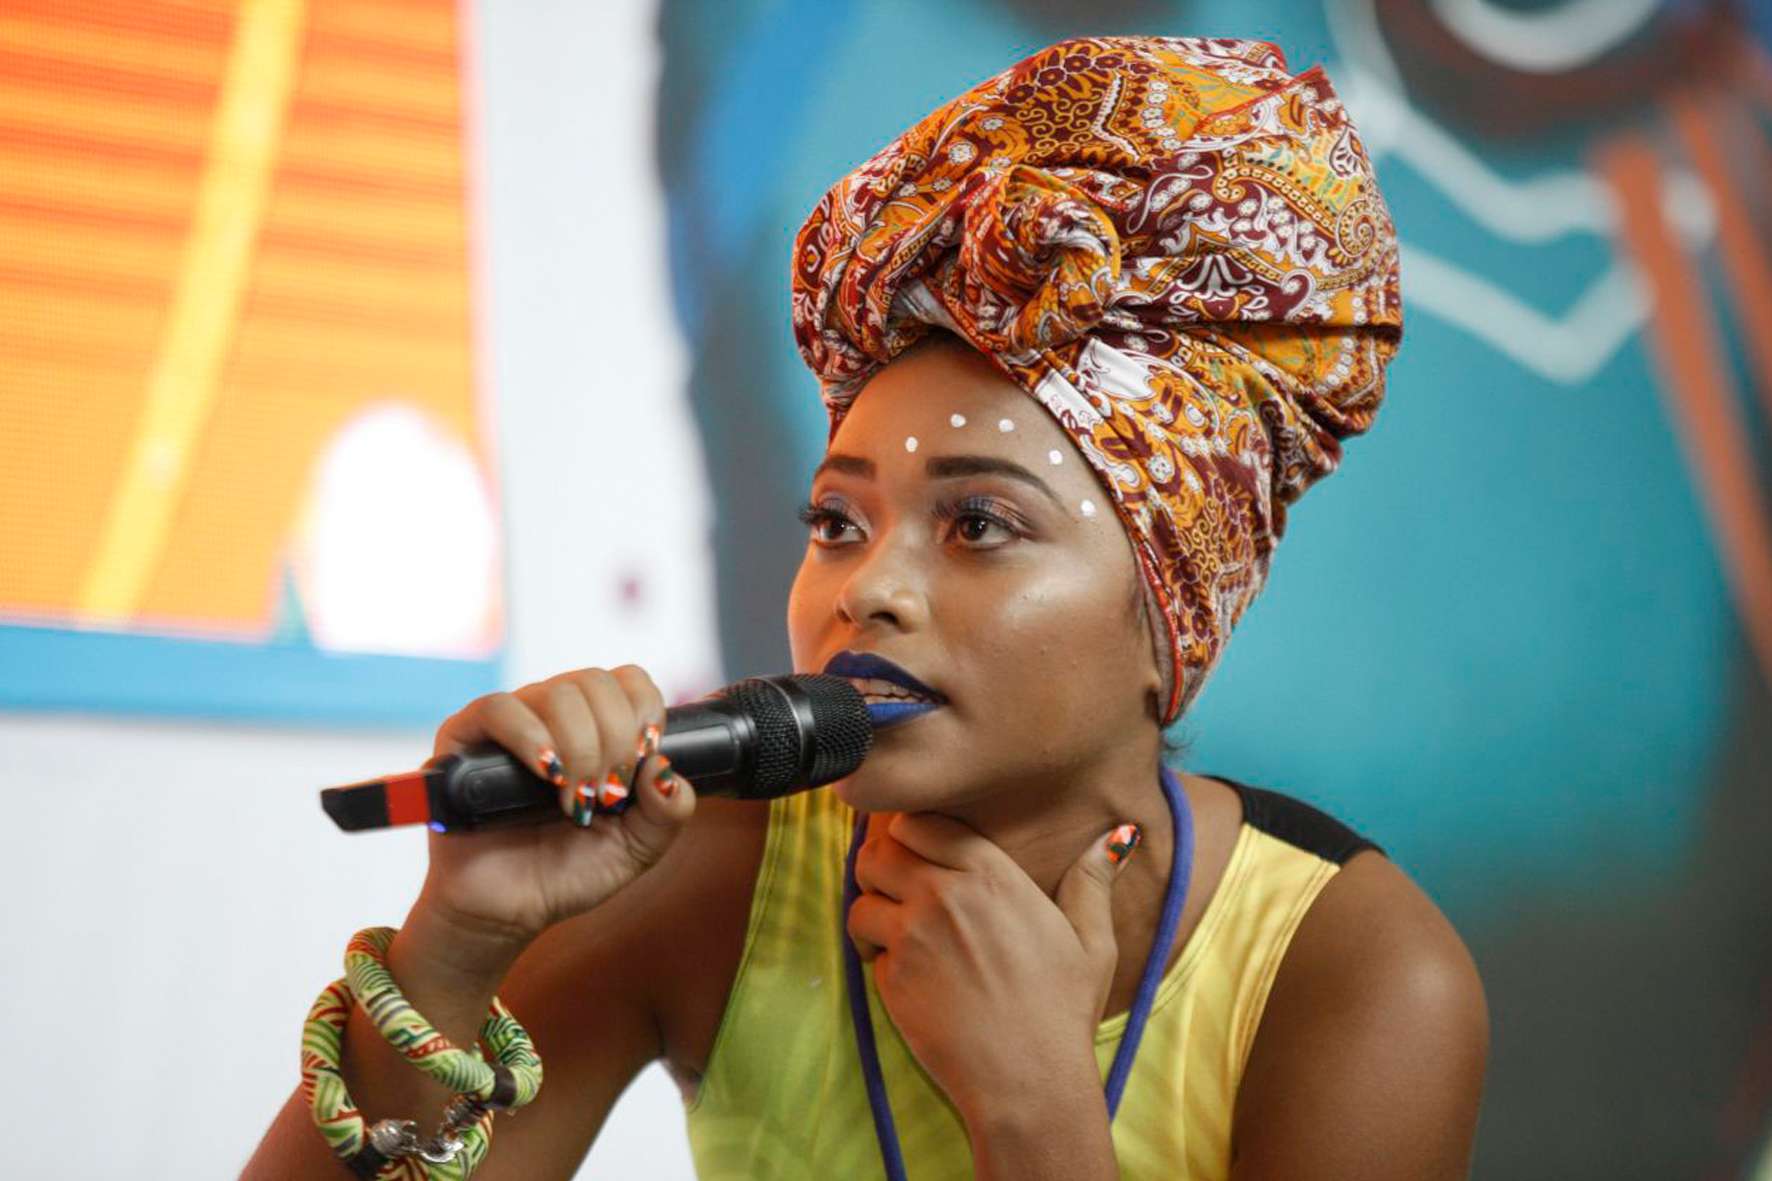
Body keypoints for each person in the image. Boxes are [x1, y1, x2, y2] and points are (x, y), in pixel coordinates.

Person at [246, 35, 1486, 1181]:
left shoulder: (1354, 968)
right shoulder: (707, 869)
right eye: (837, 522)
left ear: (1173, 615)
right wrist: (456, 947)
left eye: (978, 523)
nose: (867, 588)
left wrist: (1032, 1105)